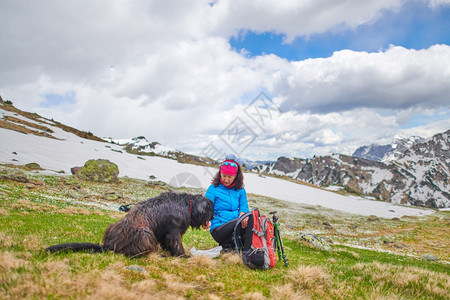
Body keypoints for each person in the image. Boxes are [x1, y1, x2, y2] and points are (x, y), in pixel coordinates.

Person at [205, 159, 250, 252]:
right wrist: (205, 220)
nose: (226, 179)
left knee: (251, 219)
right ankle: (230, 244)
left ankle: (235, 246)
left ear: (236, 176)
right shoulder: (213, 188)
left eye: (230, 176)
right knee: (239, 222)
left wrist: (243, 213)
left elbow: (244, 206)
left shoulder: (240, 190)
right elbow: (206, 207)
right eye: (224, 175)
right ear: (220, 173)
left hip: (235, 225)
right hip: (218, 228)